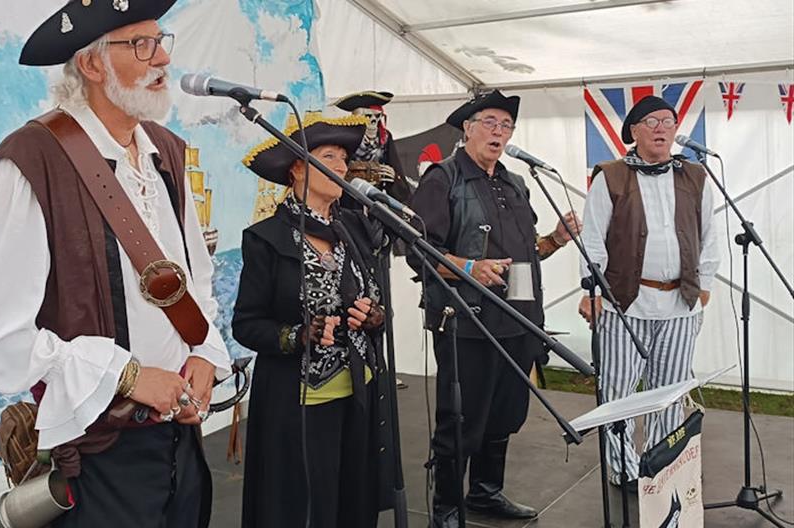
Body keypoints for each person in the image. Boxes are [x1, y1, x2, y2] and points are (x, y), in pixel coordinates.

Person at [0, 1, 231, 526]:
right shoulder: (30, 161)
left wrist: (202, 354)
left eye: (160, 41)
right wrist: (126, 376)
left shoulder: (166, 152)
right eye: (140, 45)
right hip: (98, 455)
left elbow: (198, 278)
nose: (162, 60)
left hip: (180, 439)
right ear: (92, 64)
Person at [408, 90, 581, 527]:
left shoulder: (515, 183)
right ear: (467, 128)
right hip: (465, 321)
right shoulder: (442, 179)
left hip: (517, 320)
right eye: (489, 122)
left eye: (506, 126)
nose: (498, 132)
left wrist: (556, 240)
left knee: (504, 414)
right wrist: (469, 267)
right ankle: (446, 509)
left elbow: (523, 255)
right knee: (461, 419)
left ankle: (485, 493)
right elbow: (417, 250)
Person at [233, 112, 395, 528]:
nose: (342, 167)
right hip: (298, 403)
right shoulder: (265, 238)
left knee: (352, 503)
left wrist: (373, 316)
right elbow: (246, 324)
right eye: (330, 156)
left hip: (360, 393)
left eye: (344, 158)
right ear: (298, 168)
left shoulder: (357, 230)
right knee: (305, 507)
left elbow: (376, 301)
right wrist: (299, 334)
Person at [578, 95, 719, 488]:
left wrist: (704, 284)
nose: (662, 128)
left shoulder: (697, 175)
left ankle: (660, 464)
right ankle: (623, 469)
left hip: (681, 302)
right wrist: (592, 290)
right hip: (625, 302)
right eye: (652, 121)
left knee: (670, 392)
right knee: (619, 393)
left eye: (669, 121)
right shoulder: (610, 175)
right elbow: (592, 238)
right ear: (634, 131)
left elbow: (710, 235)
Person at [332, 90, 412, 205]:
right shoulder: (345, 136)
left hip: (375, 198)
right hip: (350, 198)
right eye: (368, 116)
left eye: (377, 116)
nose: (373, 120)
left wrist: (394, 177)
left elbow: (394, 167)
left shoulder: (385, 137)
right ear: (357, 117)